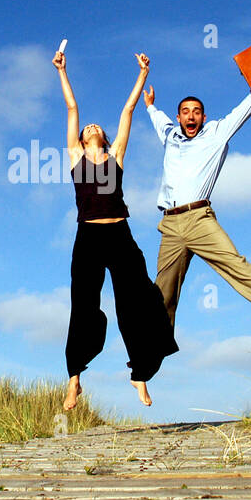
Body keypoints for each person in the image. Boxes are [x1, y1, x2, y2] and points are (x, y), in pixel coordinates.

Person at [143, 52, 251, 338]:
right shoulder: (169, 135)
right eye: (185, 111)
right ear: (179, 116)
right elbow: (157, 118)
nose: (191, 116)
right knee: (163, 289)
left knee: (235, 264)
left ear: (203, 117)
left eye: (196, 111)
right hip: (170, 225)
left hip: (199, 219)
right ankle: (153, 347)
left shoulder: (216, 133)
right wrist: (150, 106)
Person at [55, 47, 178, 410]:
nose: (90, 126)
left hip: (120, 235)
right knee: (83, 305)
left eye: (96, 127)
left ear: (105, 138)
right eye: (86, 128)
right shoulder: (75, 158)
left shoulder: (116, 157)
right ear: (80, 139)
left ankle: (140, 374)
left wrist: (142, 74)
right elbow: (72, 108)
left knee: (137, 301)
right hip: (89, 237)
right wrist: (62, 69)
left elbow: (128, 111)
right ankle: (74, 379)